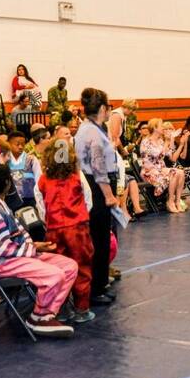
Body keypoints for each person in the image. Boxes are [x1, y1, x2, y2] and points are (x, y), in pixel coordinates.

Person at [0, 165, 77, 337]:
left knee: (69, 266)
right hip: (4, 263)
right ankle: (39, 316)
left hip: (17, 256)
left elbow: (14, 239)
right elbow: (0, 248)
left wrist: (34, 246)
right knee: (55, 275)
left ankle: (46, 314)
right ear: (7, 183)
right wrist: (31, 249)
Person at [38, 138, 96, 323]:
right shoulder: (77, 176)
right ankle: (81, 309)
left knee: (57, 270)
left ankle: (61, 309)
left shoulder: (42, 180)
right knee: (82, 268)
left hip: (54, 231)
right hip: (77, 229)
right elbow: (88, 201)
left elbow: (41, 208)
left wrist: (51, 222)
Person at [75, 87, 118, 304]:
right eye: (108, 107)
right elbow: (99, 167)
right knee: (99, 237)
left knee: (99, 236)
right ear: (102, 108)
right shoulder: (92, 132)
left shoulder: (92, 128)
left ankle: (98, 280)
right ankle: (96, 288)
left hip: (94, 185)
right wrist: (109, 195)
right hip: (98, 187)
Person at [5, 130, 41, 209]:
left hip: (30, 200)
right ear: (9, 144)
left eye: (22, 144)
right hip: (10, 200)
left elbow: (39, 180)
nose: (20, 147)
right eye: (17, 144)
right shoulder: (4, 160)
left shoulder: (31, 160)